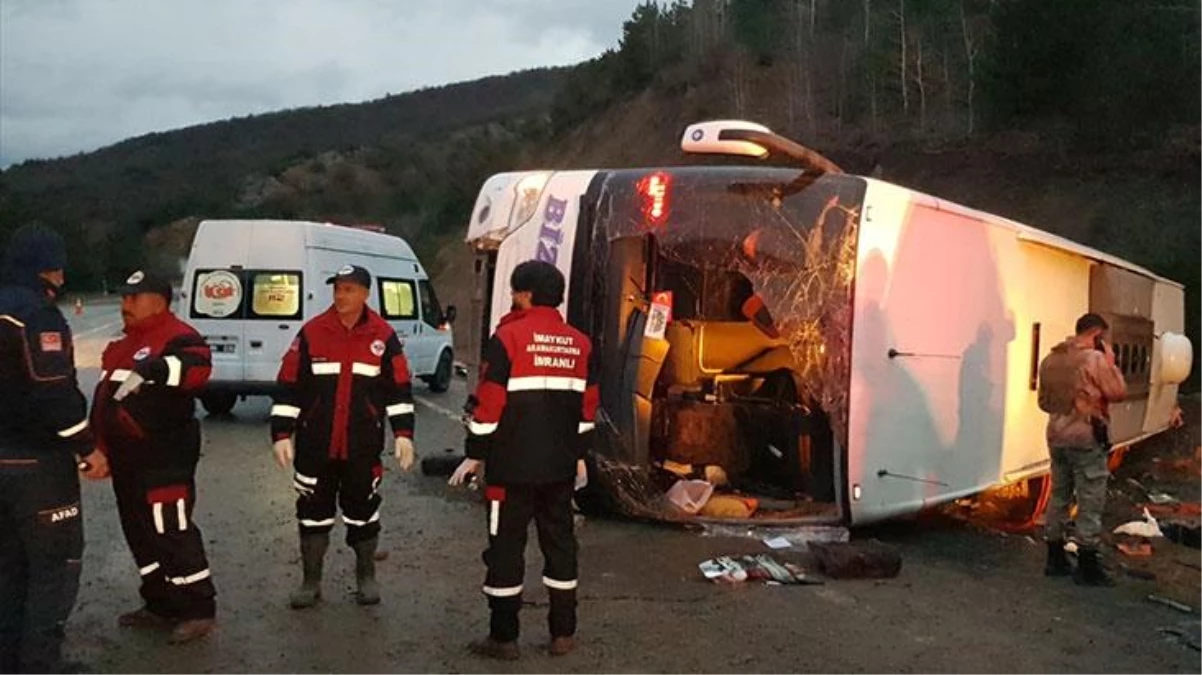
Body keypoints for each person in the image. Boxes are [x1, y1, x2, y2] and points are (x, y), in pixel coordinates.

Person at [449, 259, 597, 660]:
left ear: (526, 294)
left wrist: (474, 455)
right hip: (559, 470)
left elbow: (488, 405)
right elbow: (587, 409)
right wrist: (578, 456)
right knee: (561, 547)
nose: (513, 299)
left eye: (515, 292)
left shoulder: (509, 339)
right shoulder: (579, 343)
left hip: (509, 470)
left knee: (505, 550)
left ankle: (503, 637)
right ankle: (563, 634)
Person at [270, 264, 416, 608]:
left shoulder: (383, 336)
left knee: (363, 513)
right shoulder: (311, 332)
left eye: (349, 289)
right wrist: (281, 433)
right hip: (314, 445)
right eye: (337, 288)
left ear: (366, 294)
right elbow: (289, 385)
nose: (340, 295)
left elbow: (399, 389)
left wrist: (404, 435)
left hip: (362, 447)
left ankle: (366, 577)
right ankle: (310, 582)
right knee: (311, 513)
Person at [1, 224, 109, 673]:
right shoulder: (37, 315)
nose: (63, 279)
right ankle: (40, 664)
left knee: (7, 567)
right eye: (59, 269)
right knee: (53, 566)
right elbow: (54, 393)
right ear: (48, 269)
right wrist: (88, 447)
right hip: (36, 466)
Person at [89, 270, 217, 643]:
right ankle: (159, 601)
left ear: (158, 300)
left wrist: (154, 369)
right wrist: (98, 445)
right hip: (128, 460)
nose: (124, 304)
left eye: (133, 297)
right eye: (123, 297)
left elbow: (197, 369)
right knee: (139, 532)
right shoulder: (124, 343)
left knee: (171, 531)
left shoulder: (178, 337)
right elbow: (106, 402)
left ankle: (197, 609)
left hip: (164, 460)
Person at [1037, 312, 1127, 586]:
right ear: (1097, 334)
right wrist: (1110, 363)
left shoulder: (1050, 360)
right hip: (1085, 438)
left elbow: (1043, 402)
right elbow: (1118, 392)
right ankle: (1087, 564)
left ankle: (1055, 557)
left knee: (1059, 494)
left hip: (1056, 436)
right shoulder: (1094, 360)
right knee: (1090, 497)